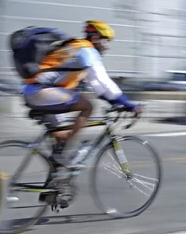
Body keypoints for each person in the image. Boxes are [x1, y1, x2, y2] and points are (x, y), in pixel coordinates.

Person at [21, 20, 143, 170]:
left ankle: (54, 186)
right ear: (96, 38)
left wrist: (117, 102)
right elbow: (103, 82)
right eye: (106, 41)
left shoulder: (77, 48)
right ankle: (61, 154)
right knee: (88, 106)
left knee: (63, 140)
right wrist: (128, 104)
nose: (107, 47)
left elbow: (98, 86)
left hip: (39, 93)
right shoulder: (87, 51)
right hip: (41, 92)